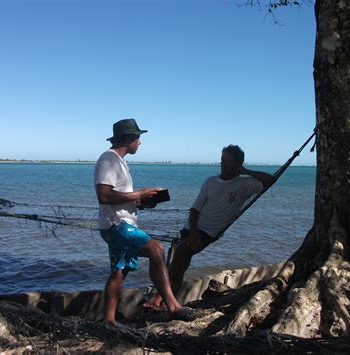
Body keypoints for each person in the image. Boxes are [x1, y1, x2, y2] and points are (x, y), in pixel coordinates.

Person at [94, 118, 203, 325]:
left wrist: (143, 202)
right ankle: (173, 306)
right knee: (156, 250)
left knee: (119, 271)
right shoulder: (108, 160)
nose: (140, 143)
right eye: (138, 138)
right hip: (117, 225)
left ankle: (108, 320)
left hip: (117, 223)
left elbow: (118, 198)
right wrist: (139, 194)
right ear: (127, 138)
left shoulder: (119, 161)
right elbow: (104, 196)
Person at [144, 144, 275, 310]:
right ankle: (169, 306)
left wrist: (245, 171)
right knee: (180, 266)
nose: (223, 164)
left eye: (227, 161)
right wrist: (192, 233)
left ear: (238, 164)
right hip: (191, 228)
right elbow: (194, 210)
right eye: (222, 160)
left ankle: (158, 299)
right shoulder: (211, 181)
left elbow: (271, 180)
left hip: (210, 232)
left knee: (179, 259)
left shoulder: (245, 184)